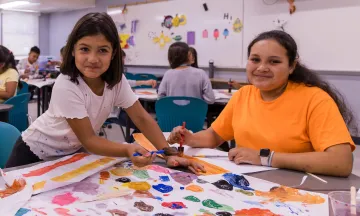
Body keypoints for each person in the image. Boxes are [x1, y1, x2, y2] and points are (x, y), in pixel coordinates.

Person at [5, 12, 205, 175]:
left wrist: (168, 153)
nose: (93, 58)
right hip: (33, 152)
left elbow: (142, 118)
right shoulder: (66, 84)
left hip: (68, 154)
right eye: (85, 49)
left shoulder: (116, 82)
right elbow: (89, 140)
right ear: (72, 51)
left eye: (102, 50)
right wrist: (127, 149)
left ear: (113, 53)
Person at [167, 30, 357, 177]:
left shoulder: (315, 100)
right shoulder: (244, 94)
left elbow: (341, 162)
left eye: (274, 61)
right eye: (255, 59)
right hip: (246, 185)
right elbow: (215, 135)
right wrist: (190, 138)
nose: (262, 68)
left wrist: (265, 158)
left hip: (295, 190)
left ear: (292, 66)